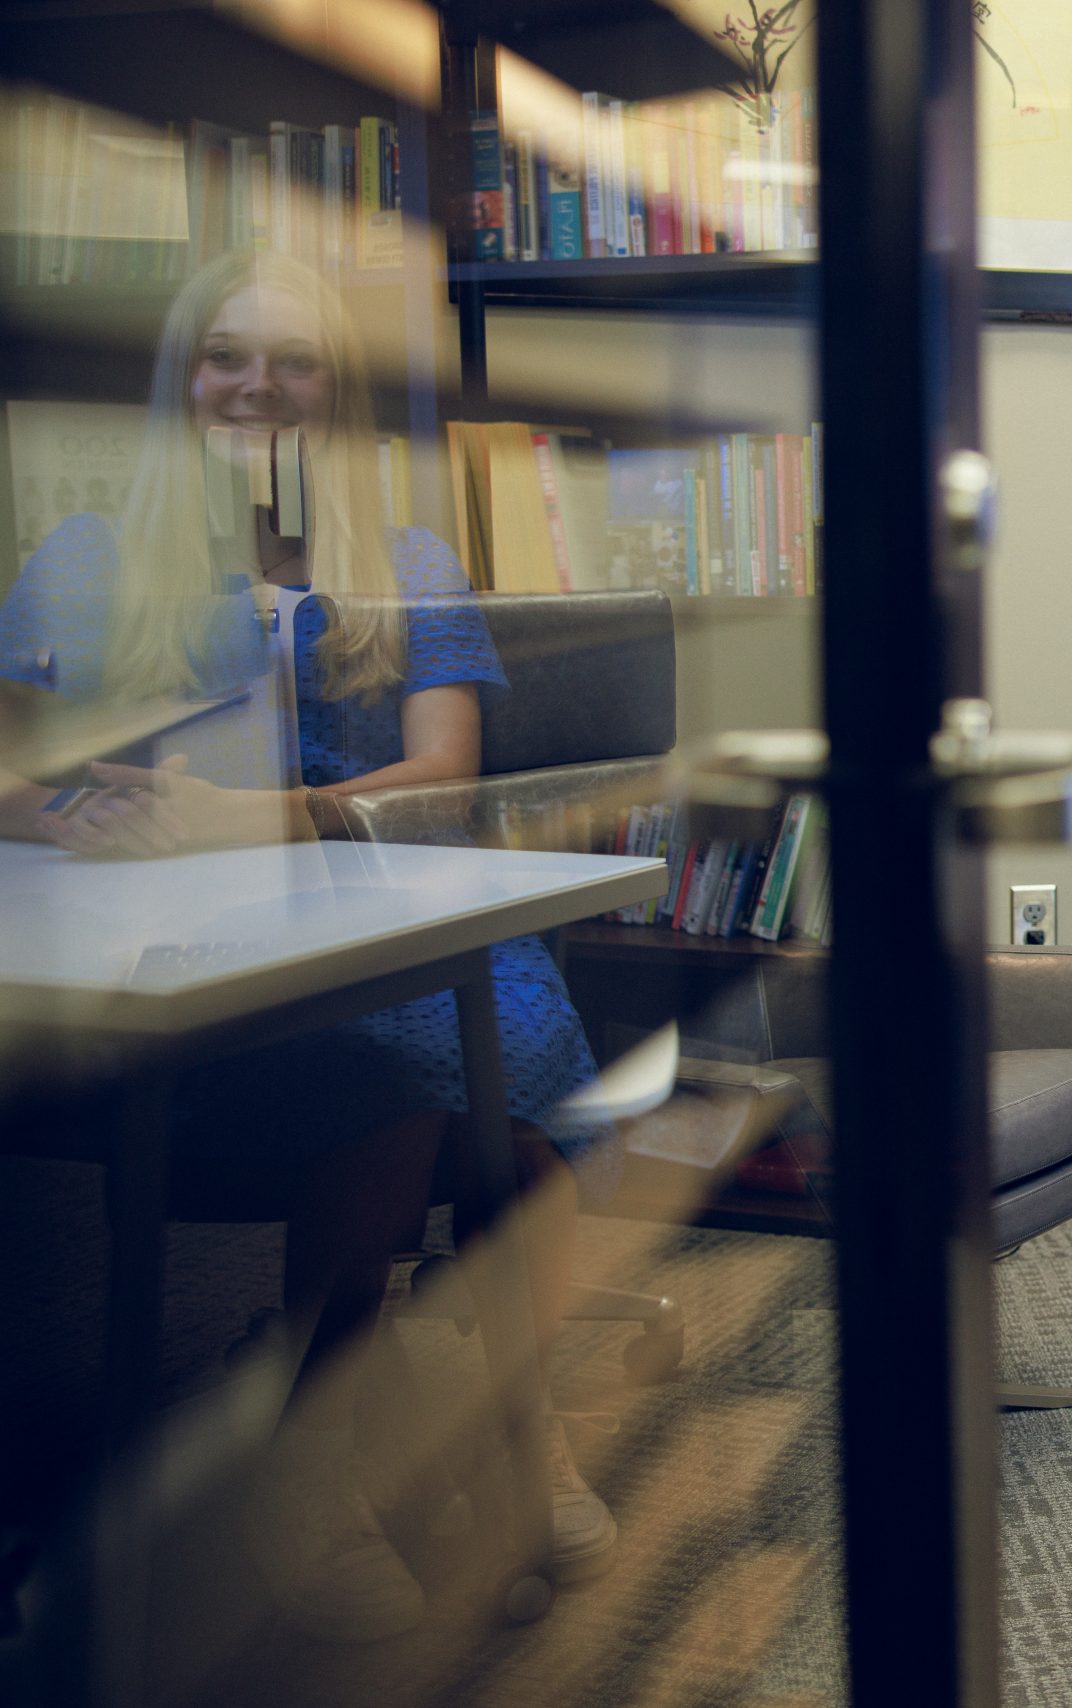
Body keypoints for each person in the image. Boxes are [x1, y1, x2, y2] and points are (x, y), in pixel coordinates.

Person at [0, 251, 620, 1640]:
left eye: (295, 360)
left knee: (485, 1081)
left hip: (401, 909)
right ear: (185, 376)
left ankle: (341, 1436)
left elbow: (446, 776)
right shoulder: (93, 557)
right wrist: (95, 813)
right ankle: (441, 1433)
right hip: (187, 941)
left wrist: (259, 818)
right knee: (410, 1100)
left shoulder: (404, 561)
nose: (258, 385)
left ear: (337, 393)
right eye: (228, 353)